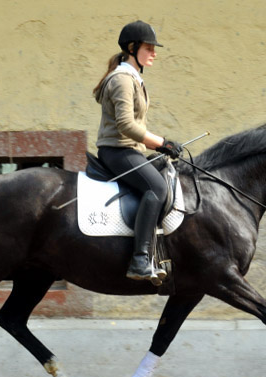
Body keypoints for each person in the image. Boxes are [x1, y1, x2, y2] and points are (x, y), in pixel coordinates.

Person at [93, 20, 182, 285]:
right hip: (117, 151)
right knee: (157, 189)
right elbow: (126, 125)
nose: (154, 52)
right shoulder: (122, 79)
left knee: (166, 175)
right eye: (148, 47)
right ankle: (140, 259)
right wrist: (161, 142)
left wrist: (158, 146)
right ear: (132, 48)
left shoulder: (132, 78)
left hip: (129, 150)